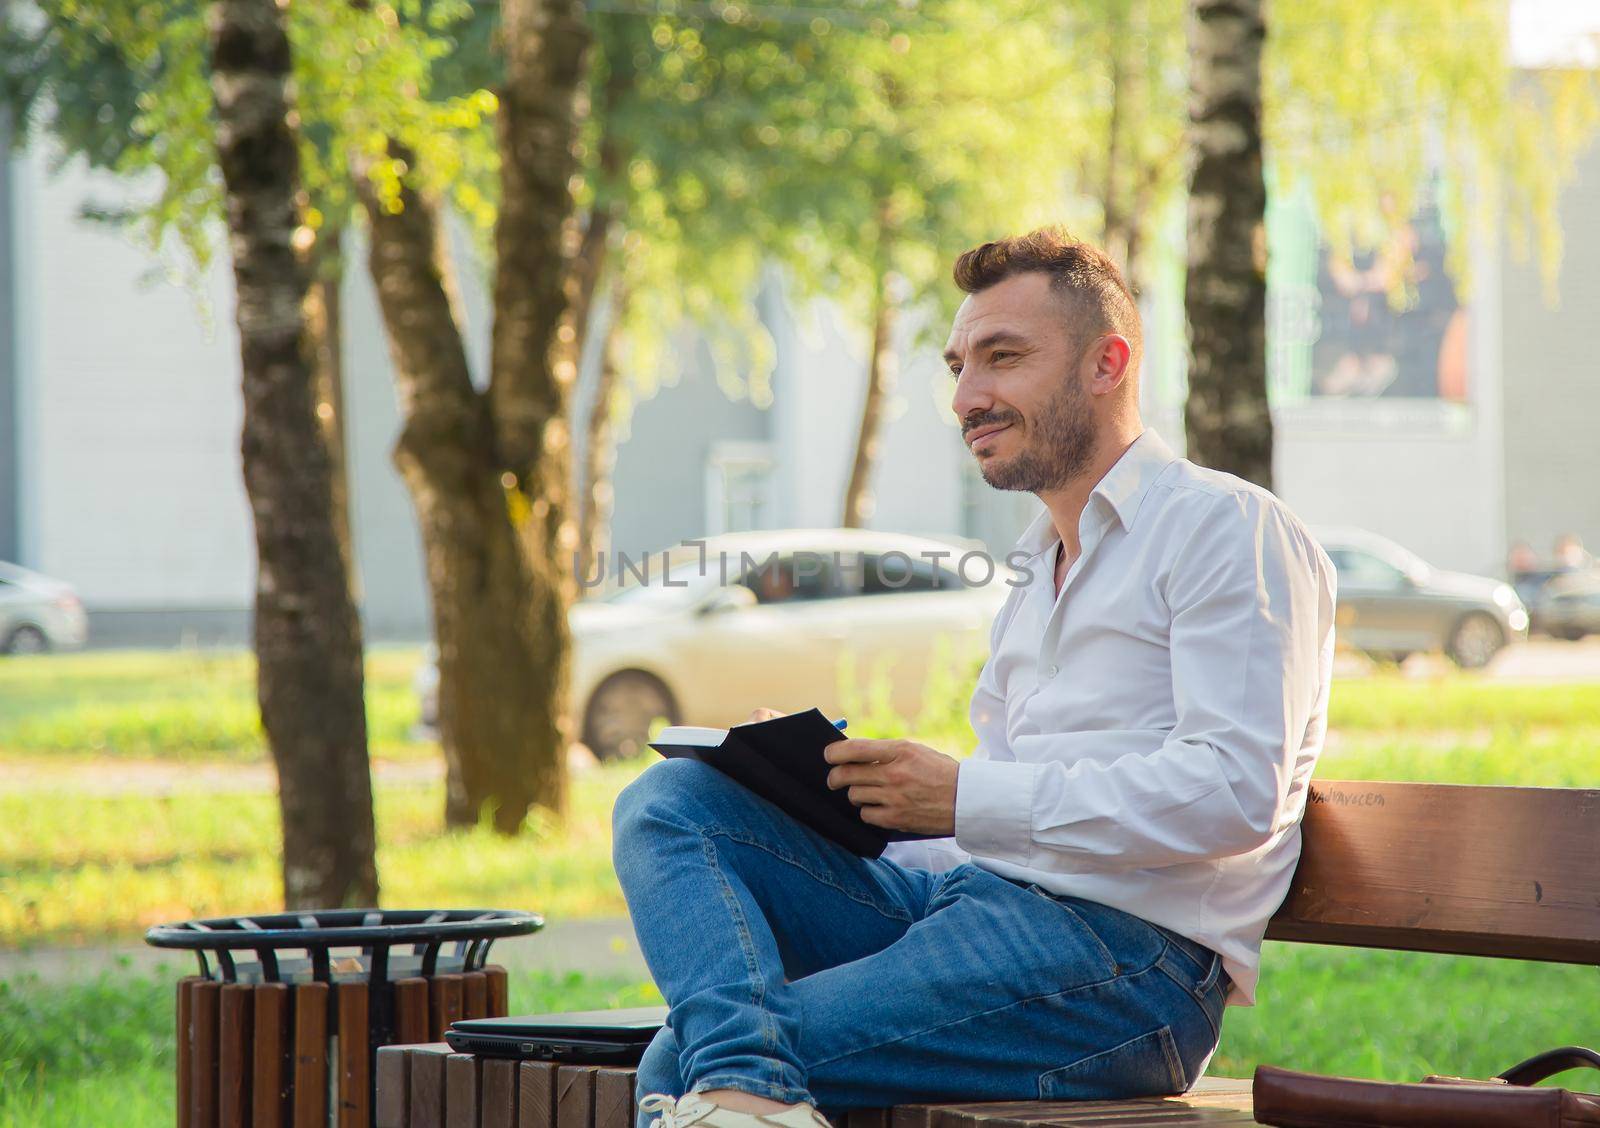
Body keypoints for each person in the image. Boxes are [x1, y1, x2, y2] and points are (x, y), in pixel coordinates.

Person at [612, 227, 1337, 1128]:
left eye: (1003, 358)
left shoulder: (1226, 530)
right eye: (958, 366)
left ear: (1107, 363)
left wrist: (965, 797)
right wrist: (818, 784)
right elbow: (987, 819)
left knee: (692, 1053)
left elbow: (1236, 793)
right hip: (970, 908)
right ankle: (752, 1094)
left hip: (1125, 969)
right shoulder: (1038, 568)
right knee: (674, 801)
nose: (968, 396)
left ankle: (751, 1093)